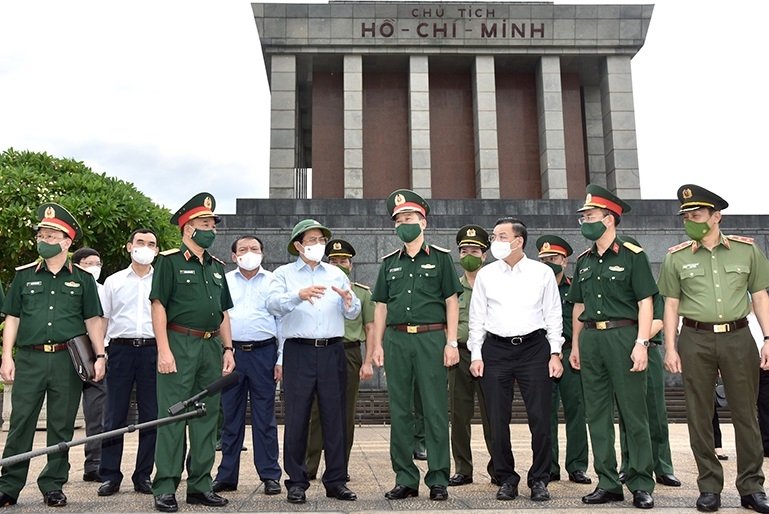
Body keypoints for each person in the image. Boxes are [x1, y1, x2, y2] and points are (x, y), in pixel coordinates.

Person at [659, 184, 769, 513]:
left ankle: (752, 488)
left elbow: (760, 297)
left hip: (738, 337)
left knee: (746, 414)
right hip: (695, 338)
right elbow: (670, 306)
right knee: (699, 414)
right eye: (686, 216)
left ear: (716, 216)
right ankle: (709, 487)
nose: (691, 220)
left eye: (697, 215)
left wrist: (768, 337)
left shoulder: (746, 251)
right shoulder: (676, 257)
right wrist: (670, 347)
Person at [0, 203, 105, 508]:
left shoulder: (84, 280)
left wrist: (100, 356)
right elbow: (13, 319)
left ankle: (53, 484)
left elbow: (92, 321)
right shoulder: (23, 277)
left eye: (50, 234)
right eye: (41, 234)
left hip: (66, 361)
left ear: (67, 241)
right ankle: (9, 484)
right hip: (30, 359)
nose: (43, 239)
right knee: (21, 422)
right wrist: (7, 356)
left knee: (61, 425)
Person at [370, 189, 462, 502]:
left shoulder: (441, 259)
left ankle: (438, 477)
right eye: (398, 220)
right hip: (396, 339)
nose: (403, 224)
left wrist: (451, 342)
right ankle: (405, 478)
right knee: (400, 411)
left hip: (431, 338)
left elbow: (451, 301)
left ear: (423, 222)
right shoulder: (388, 264)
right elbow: (381, 305)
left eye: (409, 218)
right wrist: (378, 345)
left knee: (435, 409)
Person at [568, 184, 657, 510]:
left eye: (589, 216)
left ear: (609, 219)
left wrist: (641, 343)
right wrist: (576, 345)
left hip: (624, 337)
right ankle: (607, 482)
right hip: (591, 340)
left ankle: (640, 482)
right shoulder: (585, 261)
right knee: (597, 415)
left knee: (634, 415)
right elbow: (578, 307)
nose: (584, 222)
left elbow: (646, 302)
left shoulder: (634, 256)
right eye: (583, 217)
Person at [149, 192, 236, 512]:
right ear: (187, 228)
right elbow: (158, 306)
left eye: (213, 223)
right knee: (173, 415)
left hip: (210, 345)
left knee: (206, 417)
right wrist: (163, 350)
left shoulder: (216, 267)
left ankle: (200, 485)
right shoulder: (169, 262)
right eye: (205, 223)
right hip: (179, 344)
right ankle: (166, 486)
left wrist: (228, 348)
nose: (211, 228)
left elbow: (224, 312)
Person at [468, 217, 564, 502]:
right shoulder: (486, 274)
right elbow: (477, 318)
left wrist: (555, 352)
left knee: (540, 417)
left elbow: (553, 315)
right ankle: (506, 477)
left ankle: (539, 479)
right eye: (494, 236)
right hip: (495, 351)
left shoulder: (542, 272)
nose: (494, 241)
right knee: (497, 418)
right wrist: (476, 354)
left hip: (534, 349)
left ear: (518, 240)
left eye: (500, 236)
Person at [266, 219, 360, 505]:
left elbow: (355, 312)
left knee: (335, 417)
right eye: (312, 240)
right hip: (299, 351)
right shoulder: (283, 275)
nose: (318, 245)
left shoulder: (335, 273)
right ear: (298, 245)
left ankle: (336, 480)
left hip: (333, 350)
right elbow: (272, 304)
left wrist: (347, 301)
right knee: (297, 417)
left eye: (321, 240)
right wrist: (298, 295)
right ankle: (296, 481)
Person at [213, 235, 282, 496]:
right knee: (230, 418)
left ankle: (270, 475)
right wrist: (225, 351)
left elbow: (281, 322)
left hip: (264, 353)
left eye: (254, 249)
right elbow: (220, 316)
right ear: (234, 256)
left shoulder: (273, 280)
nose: (249, 253)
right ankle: (227, 475)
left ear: (262, 253)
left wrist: (281, 358)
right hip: (233, 355)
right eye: (243, 249)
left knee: (265, 418)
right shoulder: (224, 281)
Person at [305, 238, 375, 481]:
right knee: (315, 410)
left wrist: (368, 361)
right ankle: (309, 465)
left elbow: (370, 327)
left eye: (343, 260)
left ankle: (339, 467)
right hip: (321, 351)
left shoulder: (362, 294)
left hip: (349, 352)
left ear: (351, 264)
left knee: (345, 412)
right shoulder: (318, 289)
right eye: (334, 260)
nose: (339, 264)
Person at [97, 229, 160, 497]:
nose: (145, 248)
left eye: (151, 244)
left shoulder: (163, 279)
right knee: (114, 415)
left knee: (152, 415)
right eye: (140, 243)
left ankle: (143, 475)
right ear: (129, 246)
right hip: (120, 350)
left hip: (153, 350)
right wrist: (100, 354)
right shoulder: (114, 281)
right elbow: (103, 320)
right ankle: (110, 475)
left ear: (157, 250)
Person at [614, 237, 680, 489]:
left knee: (655, 412)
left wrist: (631, 338)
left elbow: (659, 320)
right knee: (627, 414)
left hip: (647, 352)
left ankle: (663, 466)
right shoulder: (614, 289)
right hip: (621, 354)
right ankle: (628, 465)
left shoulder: (649, 289)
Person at [535, 235, 591, 486]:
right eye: (544, 259)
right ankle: (549, 465)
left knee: (576, 411)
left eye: (554, 258)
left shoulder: (575, 287)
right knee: (544, 413)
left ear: (565, 261)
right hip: (540, 355)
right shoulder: (533, 287)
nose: (549, 263)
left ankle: (577, 466)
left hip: (570, 353)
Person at [447, 224, 495, 487]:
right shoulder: (452, 287)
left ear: (484, 254)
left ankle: (498, 467)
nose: (469, 254)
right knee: (459, 414)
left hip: (491, 354)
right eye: (464, 250)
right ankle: (463, 469)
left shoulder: (496, 283)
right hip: (461, 355)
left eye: (474, 250)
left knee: (493, 414)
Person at [70, 247, 108, 484]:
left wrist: (101, 353)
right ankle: (57, 469)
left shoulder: (105, 290)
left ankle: (94, 463)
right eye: (88, 262)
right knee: (62, 415)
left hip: (98, 356)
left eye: (98, 262)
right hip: (70, 353)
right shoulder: (69, 287)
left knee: (97, 414)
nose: (94, 267)